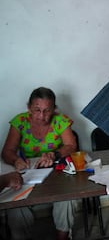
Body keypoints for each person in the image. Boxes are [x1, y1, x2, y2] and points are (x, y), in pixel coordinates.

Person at [1, 87, 78, 240]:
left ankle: (63, 236)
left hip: (55, 171)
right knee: (15, 203)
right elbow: (7, 151)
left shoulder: (60, 121)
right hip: (27, 173)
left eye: (47, 111)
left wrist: (54, 154)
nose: (41, 116)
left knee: (69, 196)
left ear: (54, 109)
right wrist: (16, 160)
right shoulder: (20, 122)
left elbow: (71, 146)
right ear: (29, 107)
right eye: (37, 110)